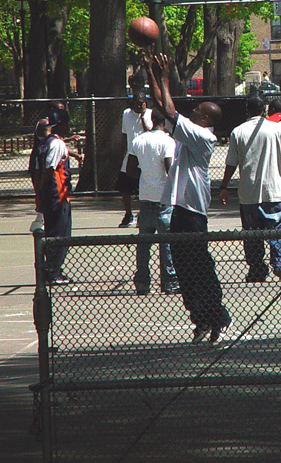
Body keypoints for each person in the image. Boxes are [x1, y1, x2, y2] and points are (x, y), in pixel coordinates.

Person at [145, 51, 231, 345]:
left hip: (193, 212)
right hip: (179, 210)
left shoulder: (202, 136)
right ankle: (201, 319)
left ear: (205, 117)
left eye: (197, 108)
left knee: (199, 267)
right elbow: (161, 106)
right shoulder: (189, 133)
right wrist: (152, 74)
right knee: (183, 270)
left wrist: (166, 77)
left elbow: (169, 110)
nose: (192, 109)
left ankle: (217, 317)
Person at [219, 95, 281, 282]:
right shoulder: (276, 129)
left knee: (252, 234)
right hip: (274, 191)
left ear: (247, 110)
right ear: (264, 109)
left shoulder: (238, 131)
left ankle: (257, 268)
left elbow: (231, 162)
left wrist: (224, 186)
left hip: (249, 193)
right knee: (278, 230)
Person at [127, 106, 178, 295]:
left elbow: (131, 169)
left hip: (146, 197)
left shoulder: (138, 141)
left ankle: (142, 282)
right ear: (164, 122)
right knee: (166, 244)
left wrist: (146, 173)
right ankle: (169, 282)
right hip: (163, 199)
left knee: (143, 244)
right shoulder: (167, 141)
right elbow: (169, 170)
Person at [35, 108, 74, 285]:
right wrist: (43, 190)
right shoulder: (56, 144)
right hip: (57, 194)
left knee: (55, 232)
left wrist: (40, 193)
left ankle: (53, 269)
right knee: (60, 234)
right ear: (61, 125)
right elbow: (50, 168)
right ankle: (52, 272)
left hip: (53, 194)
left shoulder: (45, 142)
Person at [118, 92, 153, 228]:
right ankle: (128, 214)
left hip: (146, 155)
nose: (139, 106)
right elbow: (124, 134)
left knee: (144, 187)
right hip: (131, 155)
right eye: (137, 103)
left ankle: (143, 215)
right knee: (124, 187)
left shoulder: (150, 114)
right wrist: (122, 153)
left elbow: (150, 131)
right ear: (132, 103)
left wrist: (143, 117)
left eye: (142, 103)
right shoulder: (126, 114)